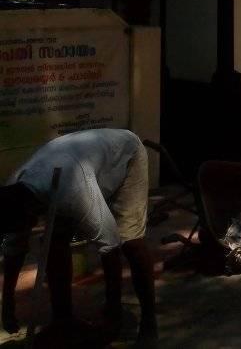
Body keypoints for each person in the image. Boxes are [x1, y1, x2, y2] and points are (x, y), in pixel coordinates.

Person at [0, 129, 157, 343]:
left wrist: (112, 314)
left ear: (29, 214)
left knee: (130, 242)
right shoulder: (14, 189)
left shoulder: (74, 191)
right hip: (69, 165)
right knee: (54, 242)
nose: (23, 232)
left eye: (24, 227)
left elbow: (110, 246)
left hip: (126, 155)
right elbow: (13, 250)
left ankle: (148, 320)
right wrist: (7, 304)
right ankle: (63, 319)